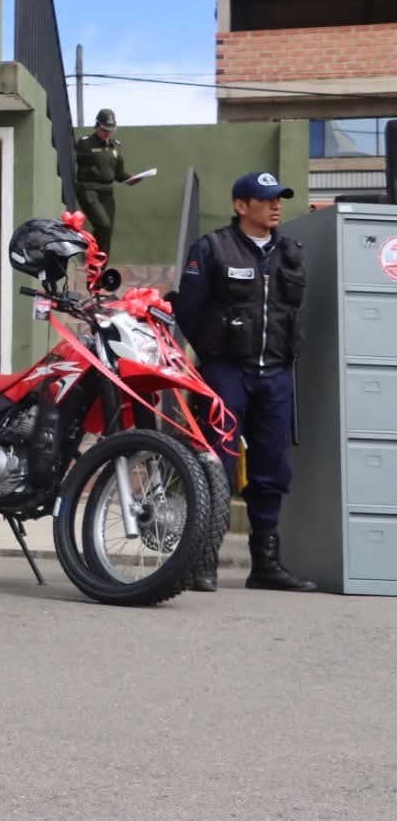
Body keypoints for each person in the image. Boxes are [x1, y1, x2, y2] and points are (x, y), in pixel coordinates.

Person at [173, 171, 314, 593]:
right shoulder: (212, 248)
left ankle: (266, 565)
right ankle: (204, 560)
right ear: (241, 206)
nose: (276, 206)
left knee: (272, 468)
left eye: (279, 199)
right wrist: (215, 354)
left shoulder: (290, 251)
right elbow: (189, 312)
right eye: (266, 199)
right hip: (227, 371)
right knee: (218, 461)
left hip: (276, 372)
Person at [74, 108, 129, 255]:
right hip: (89, 189)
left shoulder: (115, 146)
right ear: (96, 126)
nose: (107, 133)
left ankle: (98, 268)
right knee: (103, 224)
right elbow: (71, 163)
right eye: (104, 129)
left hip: (107, 192)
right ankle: (91, 253)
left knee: (107, 230)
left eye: (111, 130)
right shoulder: (85, 144)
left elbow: (119, 173)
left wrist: (131, 179)